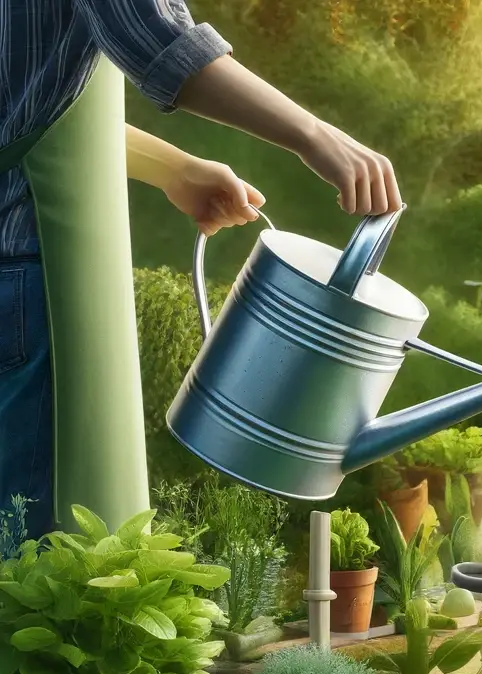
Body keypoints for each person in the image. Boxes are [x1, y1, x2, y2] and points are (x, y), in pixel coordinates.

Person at [0, 1, 402, 540]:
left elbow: (26, 98)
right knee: (37, 556)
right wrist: (315, 135)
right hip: (24, 277)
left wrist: (176, 169)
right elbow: (159, 41)